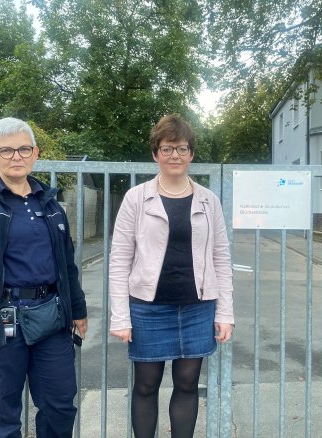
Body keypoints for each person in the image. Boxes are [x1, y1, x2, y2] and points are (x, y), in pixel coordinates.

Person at [0, 117, 88, 438]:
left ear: (35, 153)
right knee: (1, 417)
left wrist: (77, 310)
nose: (16, 157)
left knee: (60, 405)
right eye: (7, 150)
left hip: (50, 320)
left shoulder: (50, 205)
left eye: (24, 149)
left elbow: (66, 264)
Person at [108, 114, 235, 438]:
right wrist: (120, 316)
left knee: (188, 384)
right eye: (167, 149)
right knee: (147, 384)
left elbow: (221, 258)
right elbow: (120, 259)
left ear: (191, 153)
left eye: (181, 148)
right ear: (155, 154)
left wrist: (225, 312)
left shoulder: (209, 201)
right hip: (148, 309)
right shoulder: (136, 199)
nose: (174, 155)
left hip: (197, 307)